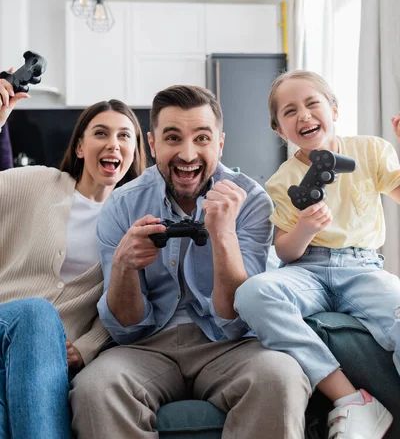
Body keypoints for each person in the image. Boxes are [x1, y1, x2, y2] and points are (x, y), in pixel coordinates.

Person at [70, 84, 311, 439]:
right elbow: (127, 328)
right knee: (95, 388)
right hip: (146, 347)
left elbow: (235, 319)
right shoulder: (122, 205)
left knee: (281, 376)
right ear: (152, 145)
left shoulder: (251, 201)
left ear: (220, 144)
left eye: (201, 138)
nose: (187, 154)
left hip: (230, 345)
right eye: (172, 138)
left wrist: (224, 235)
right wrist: (123, 266)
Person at [235, 70, 400, 439]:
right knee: (251, 293)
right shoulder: (282, 180)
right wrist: (306, 228)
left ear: (334, 110)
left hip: (363, 269)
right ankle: (353, 402)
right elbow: (285, 251)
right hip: (308, 271)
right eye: (290, 112)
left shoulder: (370, 150)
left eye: (312, 104)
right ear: (279, 129)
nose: (304, 115)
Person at [0, 76, 147, 438]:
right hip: (5, 323)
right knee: (35, 311)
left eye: (124, 136)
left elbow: (132, 305)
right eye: (100, 133)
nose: (113, 143)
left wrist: (86, 347)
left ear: (134, 153)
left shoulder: (137, 225)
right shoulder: (37, 183)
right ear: (80, 147)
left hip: (44, 362)